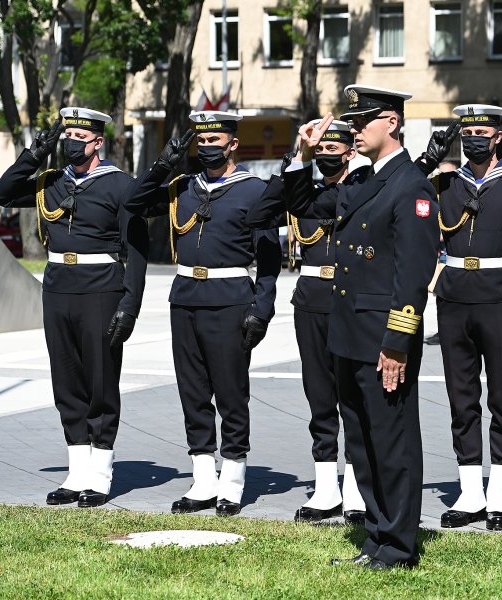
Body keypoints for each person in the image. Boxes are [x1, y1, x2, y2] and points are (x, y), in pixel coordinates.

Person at [283, 85, 439, 570]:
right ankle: (376, 536)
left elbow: (412, 278)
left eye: (362, 120)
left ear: (390, 122)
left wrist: (397, 343)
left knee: (391, 442)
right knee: (363, 445)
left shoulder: (411, 185)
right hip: (347, 334)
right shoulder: (363, 181)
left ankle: (399, 546)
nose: (353, 128)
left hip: (381, 339)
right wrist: (300, 155)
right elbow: (303, 205)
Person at [0, 107, 150, 508]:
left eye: (80, 136)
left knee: (100, 381)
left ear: (98, 141)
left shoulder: (120, 185)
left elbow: (138, 249)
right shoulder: (50, 181)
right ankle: (77, 471)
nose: (71, 142)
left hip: (102, 288)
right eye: (67, 135)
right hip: (59, 287)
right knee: (67, 381)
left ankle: (100, 473)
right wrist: (31, 156)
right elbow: (1, 194)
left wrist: (130, 304)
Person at [127, 111, 281, 517]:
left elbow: (269, 258)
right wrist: (163, 164)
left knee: (230, 392)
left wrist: (262, 309)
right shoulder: (182, 187)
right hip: (185, 298)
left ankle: (231, 479)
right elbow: (133, 203)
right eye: (202, 142)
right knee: (192, 392)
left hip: (231, 299)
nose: (208, 147)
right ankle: (202, 478)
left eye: (216, 141)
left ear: (233, 144)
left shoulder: (253, 190)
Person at [414, 104, 502, 531]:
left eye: (480, 132)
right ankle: (470, 491)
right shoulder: (445, 183)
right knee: (462, 398)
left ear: (497, 138)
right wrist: (427, 161)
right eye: (465, 131)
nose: (472, 138)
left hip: (501, 299)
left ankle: (500, 495)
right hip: (454, 296)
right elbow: (397, 196)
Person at [287, 118, 365, 526]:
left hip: (351, 300)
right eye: (320, 153)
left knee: (352, 396)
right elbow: (268, 207)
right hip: (312, 299)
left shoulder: (365, 190)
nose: (325, 159)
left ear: (351, 152)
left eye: (333, 152)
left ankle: (355, 489)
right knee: (319, 396)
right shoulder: (307, 195)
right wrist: (299, 153)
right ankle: (324, 487)